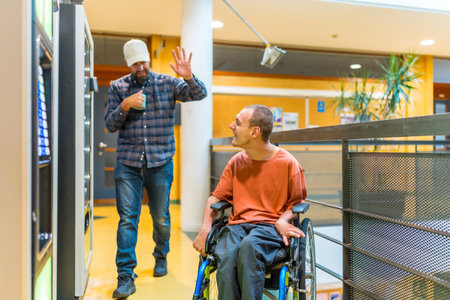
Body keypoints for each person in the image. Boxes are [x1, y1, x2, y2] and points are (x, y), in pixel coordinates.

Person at [105, 39, 207, 299]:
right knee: (128, 219)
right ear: (127, 64)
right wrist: (124, 106)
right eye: (135, 63)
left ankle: (161, 256)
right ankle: (125, 276)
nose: (141, 67)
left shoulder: (167, 83)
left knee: (161, 215)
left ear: (149, 59)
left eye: (143, 61)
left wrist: (189, 76)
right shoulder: (118, 87)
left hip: (160, 161)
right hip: (128, 163)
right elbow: (110, 125)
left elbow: (199, 94)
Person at [193, 104, 307, 300]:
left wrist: (282, 221)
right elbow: (215, 198)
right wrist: (204, 230)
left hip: (270, 227)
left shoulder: (288, 163)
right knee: (227, 254)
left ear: (255, 132)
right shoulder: (236, 162)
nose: (231, 126)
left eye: (237, 123)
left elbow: (297, 204)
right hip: (238, 226)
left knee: (250, 247)